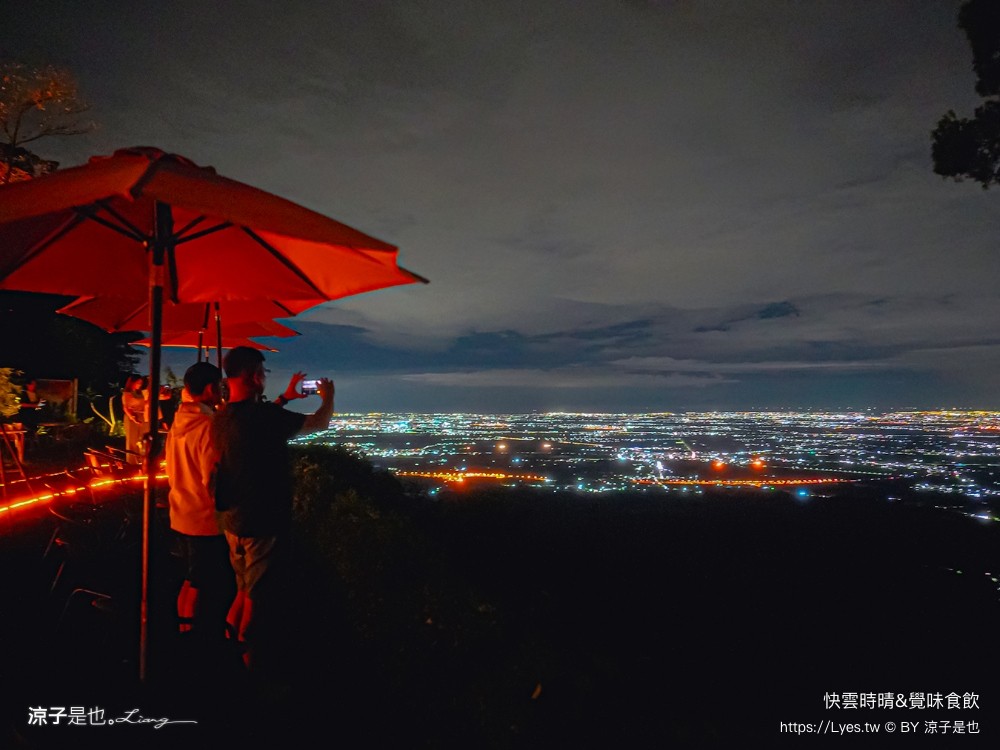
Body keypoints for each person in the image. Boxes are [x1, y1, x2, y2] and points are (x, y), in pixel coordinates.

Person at [210, 346, 334, 675]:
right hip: (262, 520)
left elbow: (256, 421)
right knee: (257, 601)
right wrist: (328, 397)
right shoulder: (264, 418)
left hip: (233, 520)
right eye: (262, 373)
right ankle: (249, 673)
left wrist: (285, 398)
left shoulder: (222, 417)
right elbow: (318, 424)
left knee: (241, 590)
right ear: (253, 375)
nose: (264, 378)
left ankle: (228, 649)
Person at [164, 362, 236, 645]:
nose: (222, 391)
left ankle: (183, 630)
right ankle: (192, 641)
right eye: (219, 386)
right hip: (204, 520)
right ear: (209, 388)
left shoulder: (179, 421)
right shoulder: (208, 426)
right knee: (202, 585)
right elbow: (213, 480)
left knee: (190, 579)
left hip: (180, 513)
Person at [121, 376, 147, 464]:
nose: (140, 384)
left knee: (142, 441)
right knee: (132, 441)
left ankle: (141, 462)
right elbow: (125, 407)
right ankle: (132, 463)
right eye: (138, 382)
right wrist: (133, 417)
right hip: (132, 417)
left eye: (141, 383)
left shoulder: (141, 393)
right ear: (132, 382)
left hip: (143, 417)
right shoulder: (127, 393)